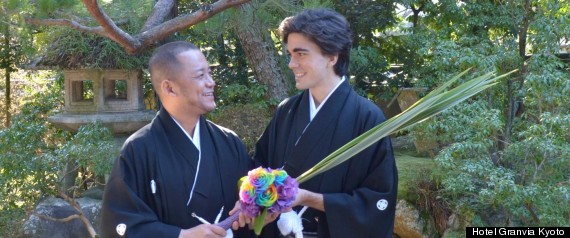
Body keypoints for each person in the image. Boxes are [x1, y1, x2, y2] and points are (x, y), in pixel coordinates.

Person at [253, 8, 398, 238]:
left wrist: (310, 199)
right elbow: (260, 169)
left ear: (332, 56)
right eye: (290, 54)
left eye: (301, 54)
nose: (291, 63)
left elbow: (377, 200)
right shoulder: (287, 111)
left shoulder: (367, 117)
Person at [101, 41, 254, 238]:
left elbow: (252, 205)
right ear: (170, 88)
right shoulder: (138, 150)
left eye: (209, 73)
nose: (211, 82)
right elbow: (120, 225)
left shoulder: (228, 142)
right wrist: (181, 235)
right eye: (200, 75)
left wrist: (250, 211)